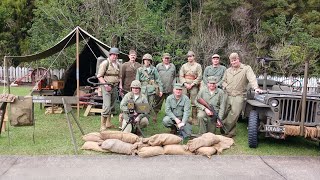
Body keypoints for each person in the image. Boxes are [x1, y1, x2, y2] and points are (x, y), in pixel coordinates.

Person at [222, 52, 263, 137]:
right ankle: (225, 130)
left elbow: (252, 78)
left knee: (234, 114)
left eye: (235, 60)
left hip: (238, 95)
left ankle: (227, 130)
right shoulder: (228, 70)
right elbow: (223, 81)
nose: (234, 62)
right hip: (227, 94)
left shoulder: (246, 68)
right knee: (224, 113)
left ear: (238, 59)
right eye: (232, 61)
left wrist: (256, 88)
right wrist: (226, 86)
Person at [96, 47, 121, 131]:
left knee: (111, 105)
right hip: (106, 86)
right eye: (113, 55)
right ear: (110, 55)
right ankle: (102, 125)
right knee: (106, 106)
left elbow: (119, 77)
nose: (115, 56)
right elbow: (99, 76)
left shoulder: (118, 64)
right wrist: (106, 85)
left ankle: (108, 123)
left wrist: (120, 86)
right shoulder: (105, 63)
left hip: (114, 87)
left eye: (116, 55)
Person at [136, 53, 163, 122]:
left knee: (150, 104)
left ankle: (147, 118)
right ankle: (142, 118)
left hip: (151, 89)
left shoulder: (154, 69)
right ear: (143, 60)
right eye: (145, 60)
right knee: (142, 104)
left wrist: (161, 90)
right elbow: (137, 81)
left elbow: (158, 80)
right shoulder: (140, 69)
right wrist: (136, 90)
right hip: (142, 89)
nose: (147, 61)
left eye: (148, 60)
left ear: (150, 61)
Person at [179, 50, 202, 125]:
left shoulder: (198, 66)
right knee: (184, 101)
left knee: (194, 102)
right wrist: (185, 84)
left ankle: (194, 118)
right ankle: (184, 117)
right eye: (188, 56)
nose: (189, 58)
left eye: (191, 56)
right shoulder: (184, 66)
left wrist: (192, 84)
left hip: (193, 85)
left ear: (194, 57)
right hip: (185, 85)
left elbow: (199, 77)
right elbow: (181, 76)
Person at [154, 53, 176, 120]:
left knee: (170, 103)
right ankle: (155, 115)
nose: (166, 59)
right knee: (157, 103)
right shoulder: (158, 66)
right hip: (161, 89)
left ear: (169, 59)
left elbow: (174, 76)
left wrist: (174, 86)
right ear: (162, 58)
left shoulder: (173, 66)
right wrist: (156, 86)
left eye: (168, 58)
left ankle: (169, 116)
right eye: (165, 58)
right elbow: (155, 77)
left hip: (170, 88)